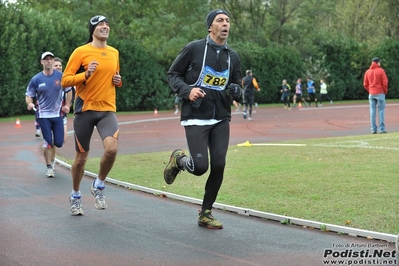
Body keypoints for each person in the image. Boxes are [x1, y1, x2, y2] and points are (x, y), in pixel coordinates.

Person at [164, 9, 242, 229]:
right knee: (200, 167)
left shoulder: (232, 56)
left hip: (220, 118)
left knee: (219, 165)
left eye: (227, 20)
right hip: (196, 116)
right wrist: (187, 91)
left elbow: (237, 86)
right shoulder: (194, 49)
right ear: (210, 27)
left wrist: (236, 90)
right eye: (220, 20)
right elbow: (173, 75)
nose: (225, 24)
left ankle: (205, 213)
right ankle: (179, 160)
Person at [61, 15, 123, 216]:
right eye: (100, 24)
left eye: (107, 24)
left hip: (107, 110)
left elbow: (115, 79)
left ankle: (99, 185)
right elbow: (65, 81)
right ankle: (76, 195)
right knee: (80, 159)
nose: (105, 26)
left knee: (112, 149)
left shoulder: (114, 52)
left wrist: (118, 80)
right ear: (92, 30)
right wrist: (85, 75)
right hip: (85, 110)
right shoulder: (81, 52)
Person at [25, 51, 72, 178]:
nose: (49, 61)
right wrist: (29, 103)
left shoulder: (61, 76)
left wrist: (68, 105)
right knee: (48, 142)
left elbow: (69, 90)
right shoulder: (36, 79)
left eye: (50, 59)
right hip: (44, 116)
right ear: (42, 62)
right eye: (46, 59)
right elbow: (29, 95)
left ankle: (52, 159)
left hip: (58, 115)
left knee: (59, 142)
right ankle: (49, 167)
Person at [363, 57, 388, 134]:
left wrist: (370, 90)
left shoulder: (367, 72)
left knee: (372, 111)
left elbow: (365, 84)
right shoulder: (381, 71)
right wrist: (384, 91)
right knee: (381, 111)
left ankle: (373, 129)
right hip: (380, 92)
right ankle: (381, 129)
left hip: (371, 93)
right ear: (377, 62)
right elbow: (385, 82)